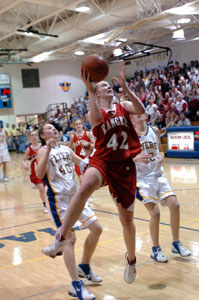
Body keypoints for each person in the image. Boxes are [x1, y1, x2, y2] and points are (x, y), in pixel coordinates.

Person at [41, 65, 145, 285]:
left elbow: (141, 109)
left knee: (127, 221)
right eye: (103, 85)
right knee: (85, 187)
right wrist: (89, 91)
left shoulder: (124, 106)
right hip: (103, 160)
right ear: (97, 94)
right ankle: (60, 239)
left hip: (124, 166)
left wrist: (126, 87)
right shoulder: (93, 110)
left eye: (110, 84)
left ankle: (132, 260)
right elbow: (96, 120)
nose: (109, 86)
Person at [36, 123, 102, 300]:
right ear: (43, 135)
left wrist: (89, 152)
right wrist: (48, 150)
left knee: (97, 229)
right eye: (48, 128)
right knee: (71, 238)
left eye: (54, 127)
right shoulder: (42, 150)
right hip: (59, 199)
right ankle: (75, 285)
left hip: (75, 196)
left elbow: (83, 164)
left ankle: (84, 266)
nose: (53, 129)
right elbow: (39, 173)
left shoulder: (66, 148)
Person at [132, 113, 191, 262]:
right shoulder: (129, 135)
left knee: (175, 205)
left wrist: (162, 156)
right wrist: (134, 158)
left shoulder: (154, 130)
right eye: (135, 113)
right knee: (156, 213)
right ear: (131, 118)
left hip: (158, 175)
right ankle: (155, 249)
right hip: (142, 179)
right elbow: (121, 157)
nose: (139, 115)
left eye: (141, 112)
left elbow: (160, 150)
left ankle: (176, 243)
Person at [22, 131, 47, 213]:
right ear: (30, 137)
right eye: (32, 135)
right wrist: (24, 164)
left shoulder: (43, 146)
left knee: (47, 189)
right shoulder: (28, 149)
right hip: (35, 171)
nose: (34, 137)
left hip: (45, 170)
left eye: (36, 135)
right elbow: (23, 160)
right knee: (41, 189)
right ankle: (45, 205)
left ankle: (51, 203)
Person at [69, 118, 95, 183]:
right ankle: (83, 192)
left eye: (80, 123)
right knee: (81, 178)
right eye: (76, 124)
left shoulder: (88, 134)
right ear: (74, 126)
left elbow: (96, 144)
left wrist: (89, 145)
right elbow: (69, 149)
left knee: (89, 180)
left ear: (82, 125)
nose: (78, 125)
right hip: (78, 160)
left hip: (87, 159)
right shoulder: (73, 136)